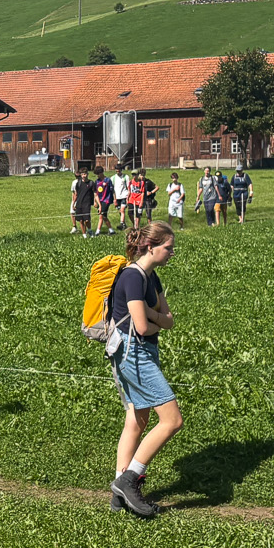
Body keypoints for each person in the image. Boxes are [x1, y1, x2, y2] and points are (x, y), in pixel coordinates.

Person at [107, 221, 181, 518]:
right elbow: (141, 326)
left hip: (142, 349)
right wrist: (155, 318)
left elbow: (168, 320)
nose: (172, 253)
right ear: (150, 247)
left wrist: (153, 316)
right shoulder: (133, 278)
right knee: (172, 420)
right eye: (168, 248)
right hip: (133, 352)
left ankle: (118, 494)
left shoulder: (152, 277)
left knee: (137, 420)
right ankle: (130, 479)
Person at [69, 167, 96, 237]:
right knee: (81, 220)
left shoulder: (91, 183)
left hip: (87, 204)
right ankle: (84, 235)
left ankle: (89, 230)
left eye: (85, 174)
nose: (84, 176)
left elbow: (95, 194)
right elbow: (76, 194)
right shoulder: (78, 183)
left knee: (87, 220)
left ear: (87, 174)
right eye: (82, 174)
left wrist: (95, 202)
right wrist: (73, 203)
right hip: (79, 204)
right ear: (81, 175)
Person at [92, 168, 114, 235]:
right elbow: (95, 193)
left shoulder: (108, 180)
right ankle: (111, 230)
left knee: (101, 215)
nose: (97, 175)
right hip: (99, 200)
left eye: (98, 174)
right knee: (104, 216)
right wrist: (95, 201)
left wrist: (115, 199)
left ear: (102, 172)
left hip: (106, 200)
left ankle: (97, 231)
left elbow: (112, 190)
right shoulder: (97, 181)